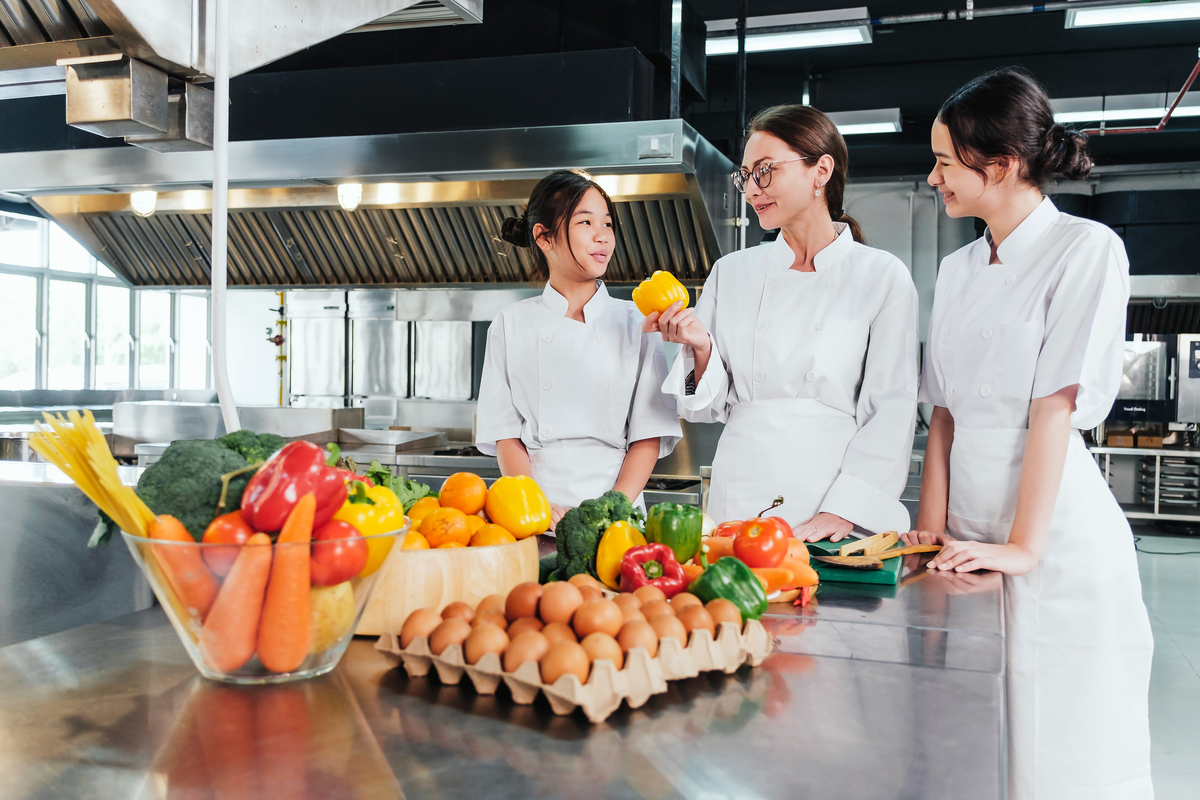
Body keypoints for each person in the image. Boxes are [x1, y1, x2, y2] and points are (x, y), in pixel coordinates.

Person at [907, 67, 1153, 799]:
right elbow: (944, 411)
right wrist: (927, 524)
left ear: (1003, 166)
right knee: (978, 742)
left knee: (1061, 752)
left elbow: (1055, 404)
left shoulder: (1086, 250)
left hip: (1056, 539)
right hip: (967, 538)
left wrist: (1024, 545)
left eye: (946, 163)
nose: (932, 178)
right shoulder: (955, 269)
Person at [650, 105, 919, 540]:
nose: (752, 189)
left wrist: (843, 511)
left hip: (831, 498)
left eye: (765, 171)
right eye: (745, 176)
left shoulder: (880, 275)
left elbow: (891, 409)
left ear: (821, 171)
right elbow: (702, 407)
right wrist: (700, 349)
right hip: (739, 492)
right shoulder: (732, 272)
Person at [476, 170, 681, 529]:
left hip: (620, 508)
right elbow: (505, 433)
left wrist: (612, 507)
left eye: (607, 223)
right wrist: (533, 505)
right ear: (543, 237)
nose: (603, 236)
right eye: (585, 222)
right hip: (538, 506)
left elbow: (648, 434)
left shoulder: (638, 321)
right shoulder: (511, 323)